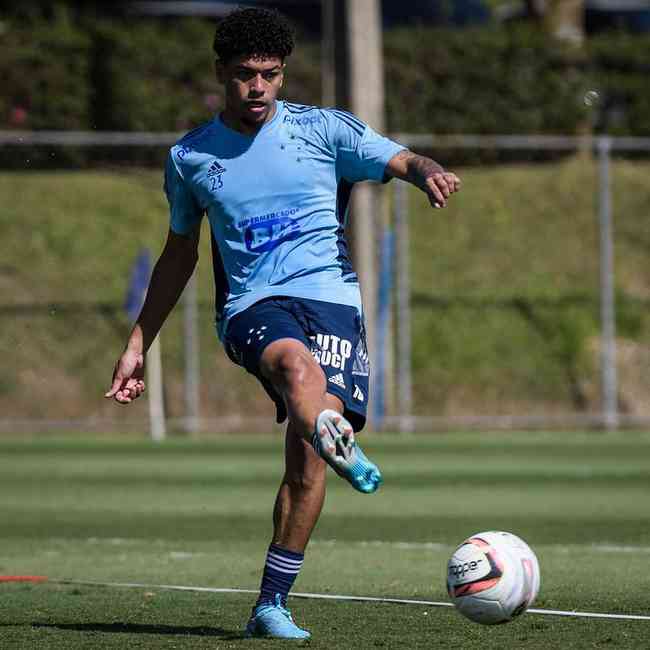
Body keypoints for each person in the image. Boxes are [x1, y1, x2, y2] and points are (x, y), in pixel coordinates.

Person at [105, 6, 460, 640]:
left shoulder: (323, 131)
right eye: (244, 74)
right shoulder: (190, 157)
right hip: (251, 306)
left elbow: (400, 158)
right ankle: (328, 425)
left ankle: (271, 603)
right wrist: (138, 342)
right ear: (220, 73)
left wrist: (429, 172)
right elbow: (179, 254)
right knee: (297, 369)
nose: (258, 87)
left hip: (333, 303)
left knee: (307, 467)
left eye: (270, 74)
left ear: (283, 73)